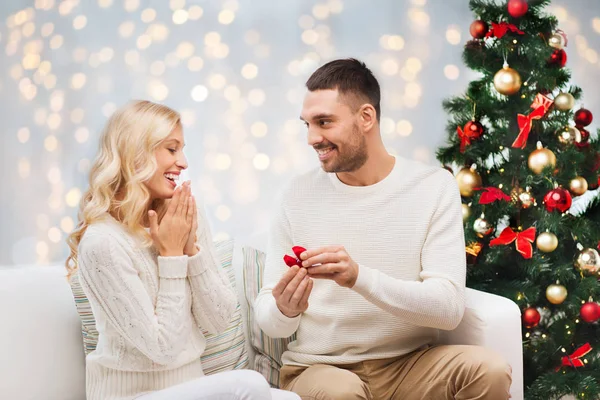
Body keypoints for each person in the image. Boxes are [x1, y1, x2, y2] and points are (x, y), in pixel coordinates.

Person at [254, 59, 512, 400]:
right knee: (342, 392)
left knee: (489, 370)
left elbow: (448, 309)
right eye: (307, 124)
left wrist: (358, 277)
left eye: (324, 122)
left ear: (366, 117)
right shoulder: (295, 195)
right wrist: (285, 309)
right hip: (322, 369)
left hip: (411, 365)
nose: (312, 138)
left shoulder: (432, 186)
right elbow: (269, 320)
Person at [66, 100, 300, 400]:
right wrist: (172, 257)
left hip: (191, 387)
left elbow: (218, 320)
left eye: (182, 149)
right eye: (172, 149)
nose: (184, 162)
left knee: (288, 399)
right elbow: (162, 349)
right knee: (251, 386)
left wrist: (192, 250)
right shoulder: (103, 243)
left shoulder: (185, 213)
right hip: (132, 394)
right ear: (136, 153)